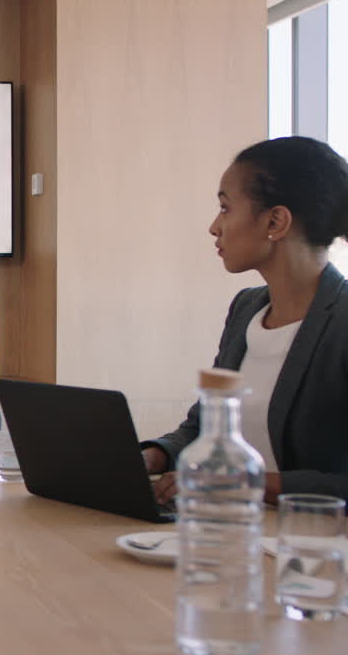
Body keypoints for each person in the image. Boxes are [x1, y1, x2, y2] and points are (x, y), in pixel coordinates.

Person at [142, 137, 348, 504]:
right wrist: (152, 456)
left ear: (275, 220)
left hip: (311, 547)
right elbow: (204, 427)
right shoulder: (247, 308)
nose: (214, 227)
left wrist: (242, 481)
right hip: (233, 530)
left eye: (225, 208)